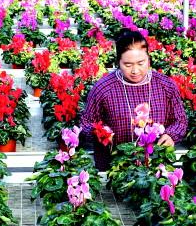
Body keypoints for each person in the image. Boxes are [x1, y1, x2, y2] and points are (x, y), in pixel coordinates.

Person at [80, 29, 187, 171]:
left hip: (156, 164)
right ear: (118, 62)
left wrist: (170, 135)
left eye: (141, 63)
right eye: (128, 65)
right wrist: (101, 133)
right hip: (115, 166)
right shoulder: (103, 88)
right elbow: (86, 123)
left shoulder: (165, 85)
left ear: (149, 58)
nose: (135, 70)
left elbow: (180, 121)